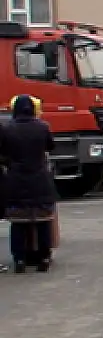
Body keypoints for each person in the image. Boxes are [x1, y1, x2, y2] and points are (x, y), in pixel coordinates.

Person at [1, 95, 58, 273]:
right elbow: (51, 146)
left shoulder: (7, 129)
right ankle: (44, 257)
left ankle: (19, 259)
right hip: (40, 179)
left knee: (18, 222)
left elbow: (2, 152)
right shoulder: (43, 127)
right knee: (43, 221)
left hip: (16, 180)